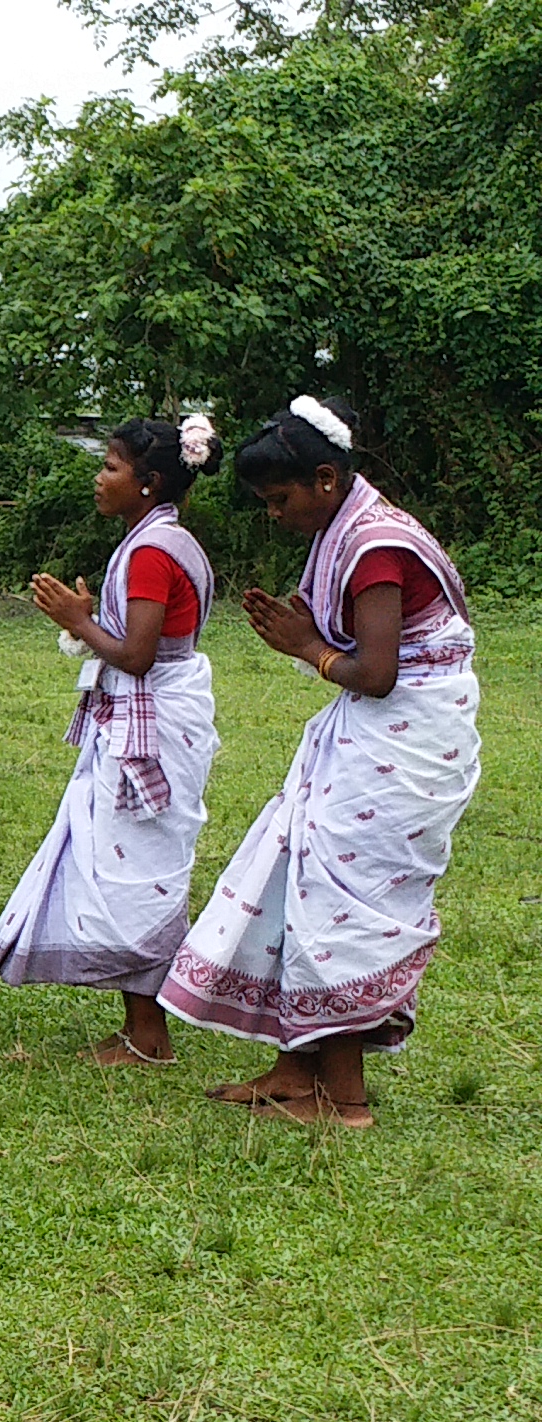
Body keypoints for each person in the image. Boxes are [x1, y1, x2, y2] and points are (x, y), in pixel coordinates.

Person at [162, 396, 481, 1129]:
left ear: (327, 480)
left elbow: (375, 673)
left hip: (405, 739)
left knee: (338, 898)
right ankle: (293, 1069)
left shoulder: (376, 544)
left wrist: (306, 647)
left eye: (280, 500)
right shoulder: (348, 528)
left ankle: (346, 1102)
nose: (275, 515)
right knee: (295, 875)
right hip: (370, 736)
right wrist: (308, 638)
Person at [0, 417, 225, 1061]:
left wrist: (77, 620)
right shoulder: (169, 540)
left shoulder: (150, 551)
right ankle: (140, 1024)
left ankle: (149, 1034)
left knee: (136, 867)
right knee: (135, 860)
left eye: (112, 467)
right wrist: (92, 620)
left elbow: (138, 655)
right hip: (160, 714)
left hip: (149, 721)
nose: (100, 477)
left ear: (147, 484)